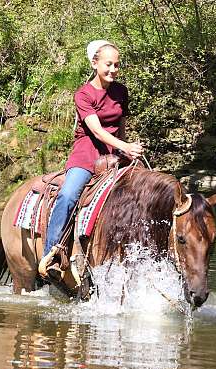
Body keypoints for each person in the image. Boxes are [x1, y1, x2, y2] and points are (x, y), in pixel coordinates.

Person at [39, 40, 144, 274]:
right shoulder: (83, 94)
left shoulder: (120, 91)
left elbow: (121, 124)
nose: (113, 70)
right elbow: (96, 131)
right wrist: (125, 146)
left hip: (114, 154)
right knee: (67, 195)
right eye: (108, 64)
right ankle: (51, 254)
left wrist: (126, 152)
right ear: (94, 63)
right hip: (87, 153)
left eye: (117, 65)